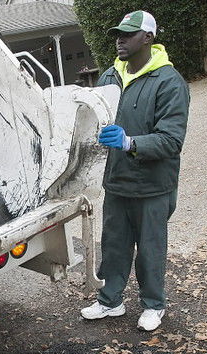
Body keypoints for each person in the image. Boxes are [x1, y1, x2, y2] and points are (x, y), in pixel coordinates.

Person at [80, 10, 190, 332]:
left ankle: (154, 304)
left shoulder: (169, 81)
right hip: (116, 182)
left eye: (128, 34)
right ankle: (110, 301)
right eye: (118, 34)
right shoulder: (109, 78)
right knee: (113, 245)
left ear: (148, 38)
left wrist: (129, 142)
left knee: (150, 249)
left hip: (153, 186)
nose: (120, 40)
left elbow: (171, 140)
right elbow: (93, 124)